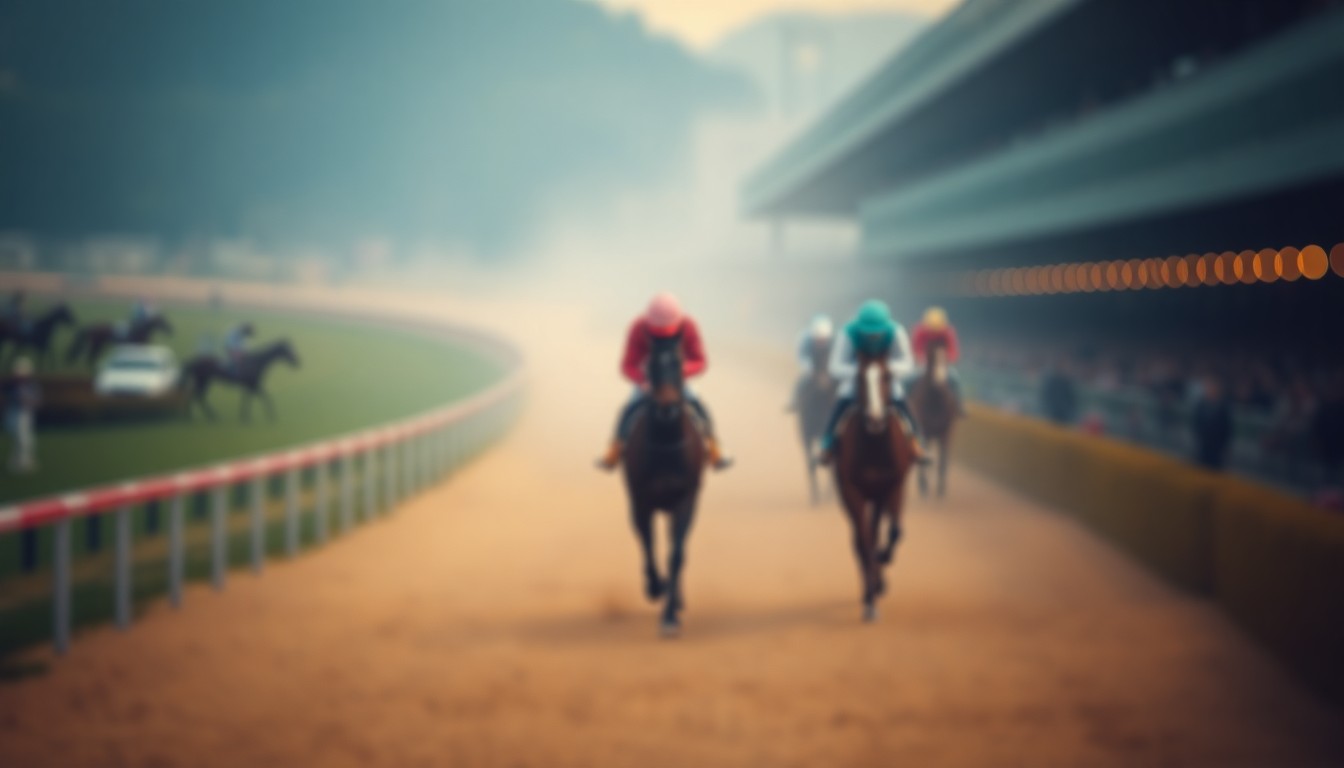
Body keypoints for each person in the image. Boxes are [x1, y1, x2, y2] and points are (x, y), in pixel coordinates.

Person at [596, 293, 732, 472]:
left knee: (698, 405)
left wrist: (681, 371)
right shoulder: (638, 328)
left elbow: (700, 361)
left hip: (677, 380)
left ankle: (715, 449)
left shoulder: (689, 327)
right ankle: (614, 450)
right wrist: (642, 381)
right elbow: (627, 365)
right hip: (647, 380)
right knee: (629, 408)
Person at [817, 299, 925, 465]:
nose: (873, 336)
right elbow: (835, 366)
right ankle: (827, 443)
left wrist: (885, 371)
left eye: (876, 333)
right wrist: (860, 372)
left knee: (903, 403)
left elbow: (907, 363)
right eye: (868, 333)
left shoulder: (896, 331)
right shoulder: (847, 333)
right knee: (840, 405)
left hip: (886, 380)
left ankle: (916, 442)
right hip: (856, 380)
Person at [909, 305, 965, 414]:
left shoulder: (948, 332)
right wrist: (922, 360)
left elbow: (954, 352)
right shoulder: (919, 331)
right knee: (907, 380)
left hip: (941, 364)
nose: (934, 332)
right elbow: (916, 349)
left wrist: (944, 360)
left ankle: (959, 405)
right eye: (931, 329)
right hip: (923, 364)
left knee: (954, 378)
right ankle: (906, 405)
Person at [788, 313, 835, 411]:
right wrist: (812, 372)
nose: (821, 342)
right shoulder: (805, 340)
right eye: (818, 339)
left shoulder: (834, 342)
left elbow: (835, 358)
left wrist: (829, 373)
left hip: (827, 369)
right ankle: (794, 401)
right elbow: (802, 357)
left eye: (823, 340)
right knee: (802, 382)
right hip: (812, 368)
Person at [3, 357, 40, 472]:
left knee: (25, 439)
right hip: (14, 413)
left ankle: (24, 462)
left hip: (25, 414)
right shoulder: (10, 386)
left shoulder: (32, 386)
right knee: (18, 439)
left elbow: (36, 401)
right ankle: (17, 461)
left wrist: (27, 401)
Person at [1191, 376, 1234, 471]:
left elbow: (1227, 429)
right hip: (1203, 445)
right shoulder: (1201, 404)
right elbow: (1196, 423)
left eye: (1211, 387)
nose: (1209, 389)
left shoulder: (1223, 407)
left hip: (1217, 449)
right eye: (1207, 387)